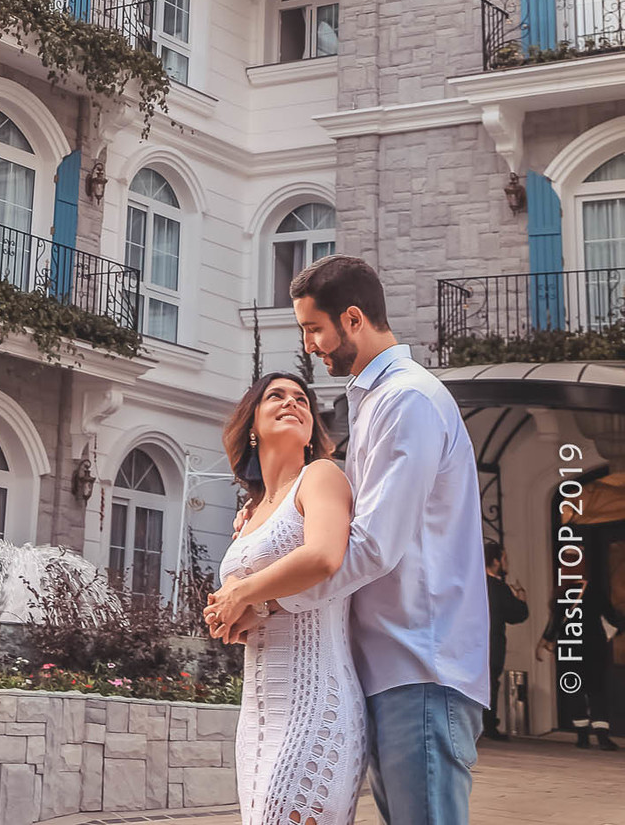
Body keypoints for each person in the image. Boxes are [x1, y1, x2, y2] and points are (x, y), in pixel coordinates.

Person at [206, 255, 489, 825]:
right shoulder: (377, 403)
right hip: (387, 668)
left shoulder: (406, 400)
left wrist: (258, 596)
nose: (310, 346)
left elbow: (370, 547)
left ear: (353, 319)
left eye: (314, 329)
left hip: (420, 665)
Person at [209, 370, 367, 825]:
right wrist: (228, 614)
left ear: (313, 428)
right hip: (258, 710)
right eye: (275, 396)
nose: (291, 402)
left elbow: (323, 557)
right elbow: (248, 607)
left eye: (301, 398)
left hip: (317, 700)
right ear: (252, 425)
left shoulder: (321, 477)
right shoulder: (249, 512)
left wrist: (242, 592)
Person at [536, 571, 623, 750]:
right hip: (593, 649)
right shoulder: (595, 591)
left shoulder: (563, 593)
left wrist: (543, 643)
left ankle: (582, 737)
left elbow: (555, 621)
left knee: (574, 691)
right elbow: (612, 618)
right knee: (597, 691)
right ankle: (602, 737)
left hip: (569, 648)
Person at [483, 540, 528, 739]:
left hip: (467, 645)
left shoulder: (470, 582)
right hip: (491, 645)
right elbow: (517, 615)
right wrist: (521, 598)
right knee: (490, 684)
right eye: (504, 559)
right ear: (495, 562)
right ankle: (489, 726)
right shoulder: (498, 587)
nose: (506, 563)